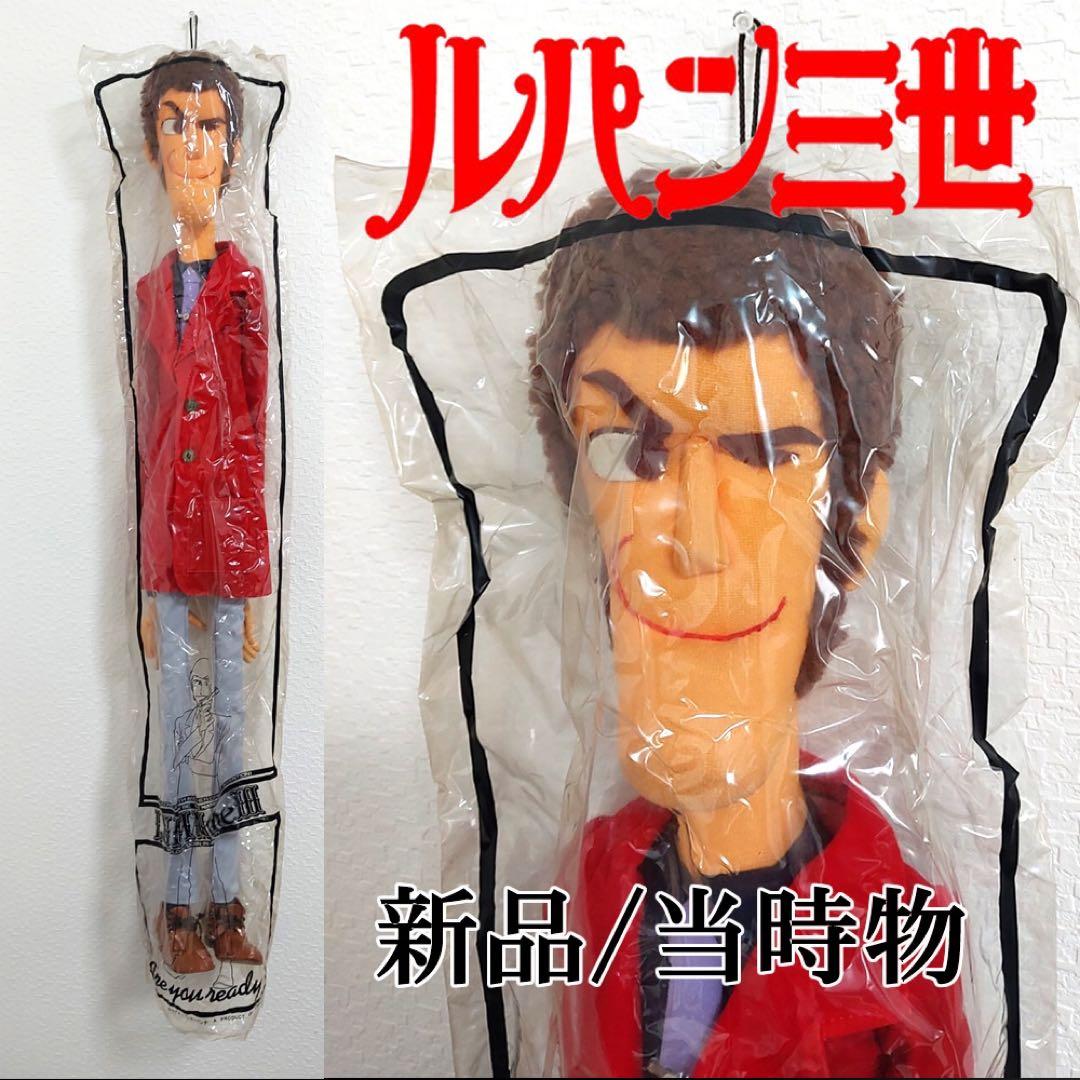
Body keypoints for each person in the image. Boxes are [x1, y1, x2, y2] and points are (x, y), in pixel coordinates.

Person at [531, 170, 973, 1077]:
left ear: (859, 521)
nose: (694, 541)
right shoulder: (581, 890)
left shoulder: (899, 941)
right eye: (626, 448)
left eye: (769, 451)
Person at [135, 51, 269, 975]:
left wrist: (253, 576)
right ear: (152, 148)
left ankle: (227, 902)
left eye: (210, 125)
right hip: (169, 544)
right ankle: (176, 907)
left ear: (233, 147)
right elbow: (149, 433)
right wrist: (148, 577)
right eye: (174, 125)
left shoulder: (245, 289)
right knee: (178, 731)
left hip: (226, 541)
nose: (192, 145)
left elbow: (253, 431)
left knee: (229, 728)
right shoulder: (151, 293)